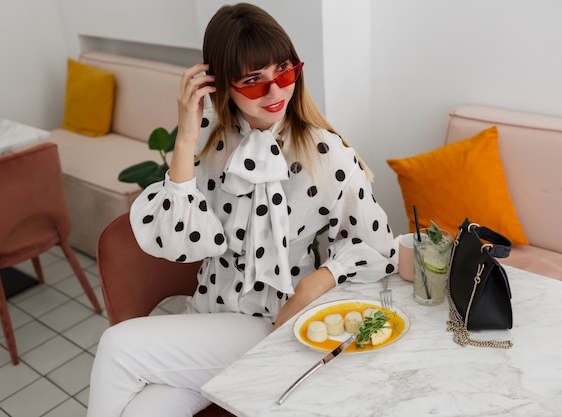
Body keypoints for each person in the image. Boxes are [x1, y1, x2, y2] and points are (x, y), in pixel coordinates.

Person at [87, 3, 397, 416]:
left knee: (117, 346)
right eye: (253, 81)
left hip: (273, 324)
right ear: (222, 86)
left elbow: (377, 246)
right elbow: (179, 240)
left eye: (284, 72)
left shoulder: (326, 153)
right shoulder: (209, 150)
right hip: (207, 319)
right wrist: (185, 136)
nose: (275, 92)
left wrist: (314, 283)